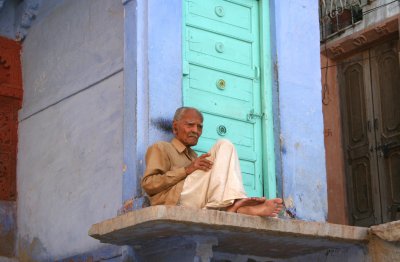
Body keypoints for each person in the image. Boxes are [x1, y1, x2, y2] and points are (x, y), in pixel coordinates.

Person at [141, 107, 283, 216]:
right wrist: (186, 170)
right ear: (175, 127)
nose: (195, 131)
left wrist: (193, 168)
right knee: (223, 143)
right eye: (190, 125)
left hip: (198, 200)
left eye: (199, 127)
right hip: (174, 201)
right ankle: (236, 206)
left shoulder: (194, 157)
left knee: (226, 146)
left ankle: (234, 205)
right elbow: (148, 184)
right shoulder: (161, 147)